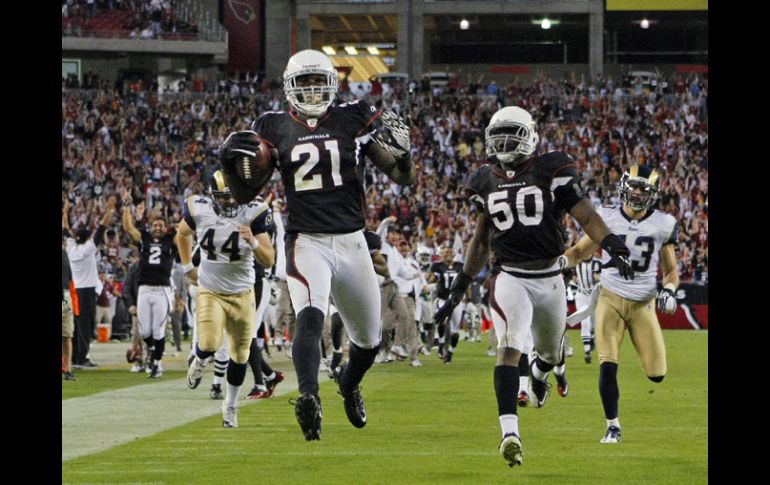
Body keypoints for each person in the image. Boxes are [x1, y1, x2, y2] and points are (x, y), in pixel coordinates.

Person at [220, 48, 415, 440]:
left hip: (352, 240)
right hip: (306, 240)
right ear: (290, 88)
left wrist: (405, 154)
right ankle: (308, 397)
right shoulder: (272, 126)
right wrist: (233, 167)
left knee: (369, 340)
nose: (311, 90)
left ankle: (348, 385)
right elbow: (245, 193)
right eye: (304, 83)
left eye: (316, 81)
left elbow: (401, 176)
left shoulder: (352, 116)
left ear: (331, 83)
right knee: (309, 316)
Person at [434, 106, 634, 467]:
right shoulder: (484, 179)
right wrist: (461, 282)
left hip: (550, 277)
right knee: (509, 348)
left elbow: (585, 214)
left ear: (529, 135)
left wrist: (613, 244)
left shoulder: (551, 168)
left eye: (512, 133)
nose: (505, 142)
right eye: (500, 135)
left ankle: (542, 375)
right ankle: (510, 432)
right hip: (509, 276)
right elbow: (481, 240)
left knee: (552, 354)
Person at [563, 164, 679, 444]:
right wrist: (558, 263)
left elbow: (671, 270)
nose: (637, 194)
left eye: (644, 190)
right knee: (607, 364)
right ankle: (612, 425)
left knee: (657, 374)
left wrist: (670, 290)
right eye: (634, 187)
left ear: (653, 194)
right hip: (610, 298)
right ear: (625, 186)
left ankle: (616, 419)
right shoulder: (606, 216)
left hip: (644, 303)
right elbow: (579, 251)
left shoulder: (663, 223)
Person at [177, 170, 276, 428]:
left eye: (233, 197)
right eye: (224, 198)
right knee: (209, 342)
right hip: (210, 289)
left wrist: (253, 242)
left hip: (243, 292)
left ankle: (230, 407)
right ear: (213, 196)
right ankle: (199, 360)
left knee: (240, 356)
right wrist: (189, 269)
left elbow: (269, 258)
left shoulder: (254, 212)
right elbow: (182, 234)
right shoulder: (199, 208)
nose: (230, 203)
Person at [122, 190, 177, 378]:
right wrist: (127, 207)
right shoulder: (144, 238)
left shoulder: (172, 240)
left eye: (161, 225)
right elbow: (129, 228)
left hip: (162, 289)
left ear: (166, 227)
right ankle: (153, 351)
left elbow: (186, 234)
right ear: (151, 226)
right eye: (155, 225)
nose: (158, 228)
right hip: (144, 289)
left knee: (158, 329)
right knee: (145, 330)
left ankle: (157, 364)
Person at [63, 197, 115, 368]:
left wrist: (65, 210)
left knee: (76, 324)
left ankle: (75, 356)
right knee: (87, 325)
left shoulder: (71, 247)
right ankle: (82, 358)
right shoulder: (88, 248)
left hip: (74, 290)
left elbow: (65, 228)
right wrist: (109, 209)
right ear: (87, 239)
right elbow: (101, 229)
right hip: (86, 291)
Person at [62, 233, 76, 381]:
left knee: (67, 335)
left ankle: (68, 370)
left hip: (65, 297)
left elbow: (70, 280)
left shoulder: (65, 255)